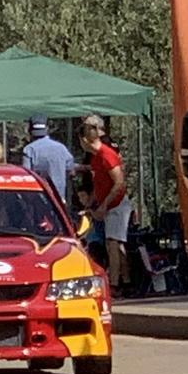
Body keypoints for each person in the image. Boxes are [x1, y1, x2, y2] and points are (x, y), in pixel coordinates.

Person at [80, 117, 129, 292]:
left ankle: (114, 284)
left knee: (112, 243)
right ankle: (126, 279)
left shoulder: (107, 155)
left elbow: (119, 183)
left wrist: (104, 205)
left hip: (116, 206)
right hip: (106, 205)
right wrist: (92, 203)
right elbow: (99, 183)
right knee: (115, 244)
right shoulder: (96, 158)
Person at [20, 119, 71, 205]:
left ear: (30, 131)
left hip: (39, 199)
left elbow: (26, 175)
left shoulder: (29, 150)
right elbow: (70, 168)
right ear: (46, 129)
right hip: (59, 198)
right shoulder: (61, 148)